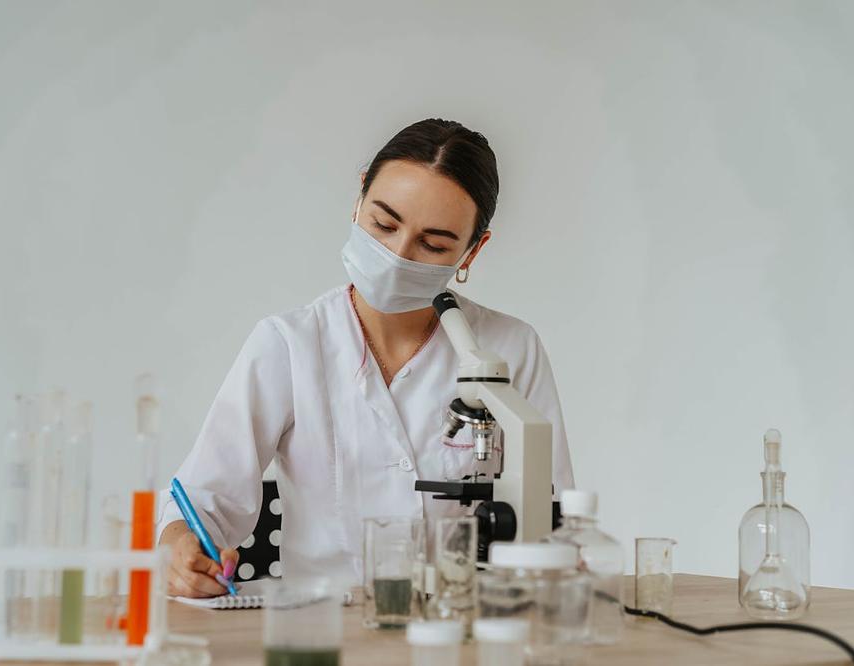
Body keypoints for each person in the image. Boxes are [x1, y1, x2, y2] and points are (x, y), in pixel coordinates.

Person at [157, 118, 575, 597]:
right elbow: (205, 499)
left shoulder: (509, 348)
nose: (397, 255)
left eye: (433, 244)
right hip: (325, 629)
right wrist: (180, 545)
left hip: (458, 631)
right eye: (384, 223)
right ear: (359, 201)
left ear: (472, 251)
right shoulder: (290, 343)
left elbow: (555, 514)